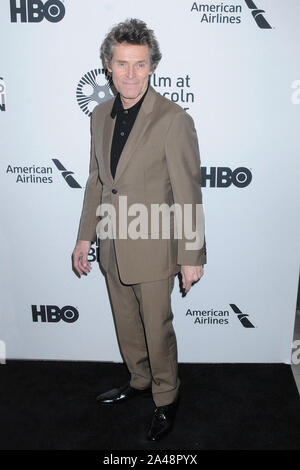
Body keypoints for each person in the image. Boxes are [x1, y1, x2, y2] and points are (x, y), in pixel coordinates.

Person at [72, 18, 207, 442]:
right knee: (127, 324)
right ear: (108, 66)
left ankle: (166, 399)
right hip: (111, 242)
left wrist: (191, 256)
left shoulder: (172, 119)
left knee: (156, 327)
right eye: (122, 64)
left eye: (140, 64)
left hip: (153, 247)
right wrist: (85, 236)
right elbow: (97, 180)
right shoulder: (98, 116)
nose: (130, 74)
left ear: (152, 67)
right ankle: (139, 380)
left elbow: (188, 192)